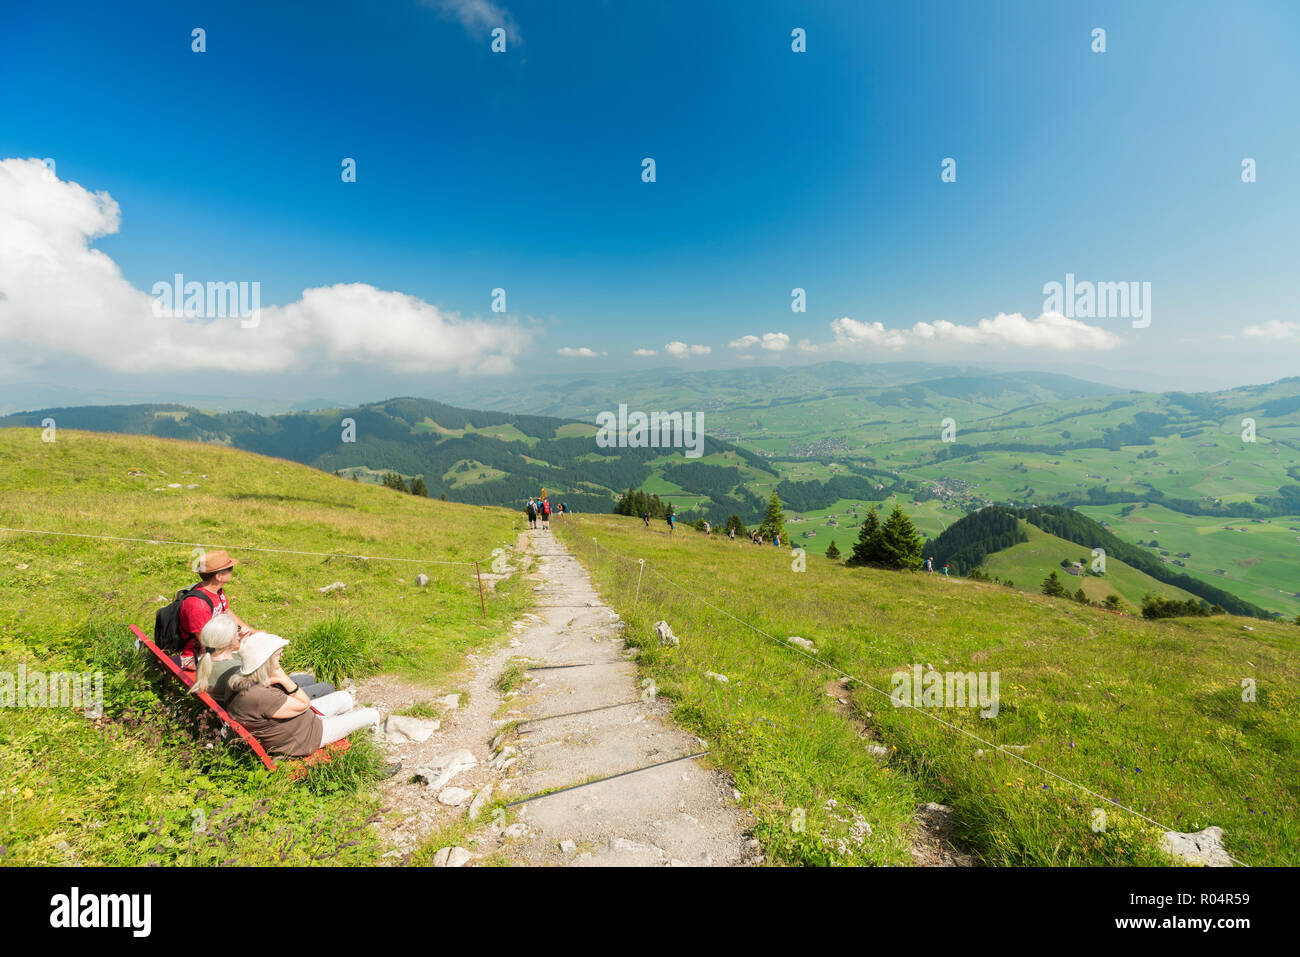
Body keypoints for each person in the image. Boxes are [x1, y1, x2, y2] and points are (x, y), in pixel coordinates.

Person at [225, 632, 385, 759]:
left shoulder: (239, 681)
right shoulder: (262, 696)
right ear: (266, 662)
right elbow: (304, 704)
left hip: (300, 725)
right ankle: (374, 755)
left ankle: (345, 727)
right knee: (372, 714)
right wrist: (283, 678)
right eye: (278, 654)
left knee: (345, 697)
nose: (281, 656)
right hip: (306, 738)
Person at [192, 613, 334, 705]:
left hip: (242, 698)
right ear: (231, 639)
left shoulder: (205, 660)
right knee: (326, 687)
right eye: (238, 629)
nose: (241, 632)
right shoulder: (235, 670)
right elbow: (265, 684)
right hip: (267, 700)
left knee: (307, 679)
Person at [177, 551, 254, 671]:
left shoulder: (216, 590)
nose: (232, 571)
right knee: (254, 660)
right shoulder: (197, 605)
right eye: (230, 568)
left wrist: (252, 631)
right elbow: (207, 642)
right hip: (197, 656)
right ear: (218, 576)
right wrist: (242, 646)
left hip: (218, 643)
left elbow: (225, 610)